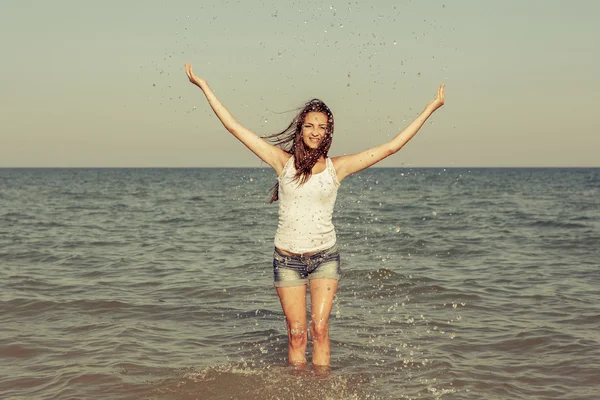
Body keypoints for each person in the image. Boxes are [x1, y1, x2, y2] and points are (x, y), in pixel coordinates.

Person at [184, 64, 445, 367]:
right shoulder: (281, 162)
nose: (315, 132)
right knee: (297, 334)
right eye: (309, 126)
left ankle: (320, 391)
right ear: (301, 129)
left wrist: (430, 108)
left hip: (324, 257)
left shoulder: (338, 168)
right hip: (287, 260)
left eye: (321, 127)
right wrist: (204, 86)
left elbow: (391, 148)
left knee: (319, 329)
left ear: (327, 133)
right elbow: (234, 128)